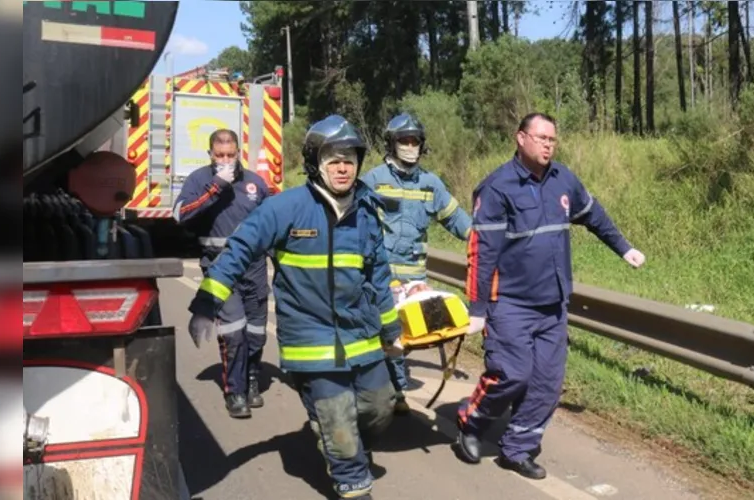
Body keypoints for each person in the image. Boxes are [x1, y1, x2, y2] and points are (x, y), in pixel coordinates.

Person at [186, 115, 403, 500]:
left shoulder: (366, 211)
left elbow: (379, 277)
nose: (342, 166)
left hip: (361, 333)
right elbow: (239, 250)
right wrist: (207, 301)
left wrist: (390, 332)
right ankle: (352, 480)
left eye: (349, 158)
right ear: (315, 161)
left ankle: (348, 445)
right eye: (333, 158)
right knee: (337, 417)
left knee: (380, 408)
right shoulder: (286, 207)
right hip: (311, 338)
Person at [453, 112, 646, 480]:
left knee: (546, 383)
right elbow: (481, 252)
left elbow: (594, 215)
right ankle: (471, 420)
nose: (547, 145)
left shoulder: (563, 180)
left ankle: (517, 448)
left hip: (553, 304)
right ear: (520, 138)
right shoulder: (497, 188)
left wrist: (623, 248)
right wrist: (477, 309)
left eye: (552, 139)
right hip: (509, 303)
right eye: (540, 137)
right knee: (512, 375)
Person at [360, 112, 472, 415]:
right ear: (392, 144)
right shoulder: (373, 180)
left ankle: (394, 390)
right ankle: (389, 390)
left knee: (407, 336)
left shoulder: (431, 184)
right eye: (404, 141)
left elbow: (456, 219)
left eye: (414, 141)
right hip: (379, 276)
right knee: (380, 333)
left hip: (414, 278)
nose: (410, 146)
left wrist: (481, 240)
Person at [173, 129, 270, 419]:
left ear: (238, 152)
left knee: (256, 332)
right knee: (233, 331)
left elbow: (273, 222)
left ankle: (252, 379)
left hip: (253, 267)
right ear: (210, 155)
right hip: (218, 267)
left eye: (231, 154)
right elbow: (180, 215)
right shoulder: (200, 180)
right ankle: (235, 391)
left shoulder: (254, 183)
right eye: (220, 155)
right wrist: (215, 187)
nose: (226, 160)